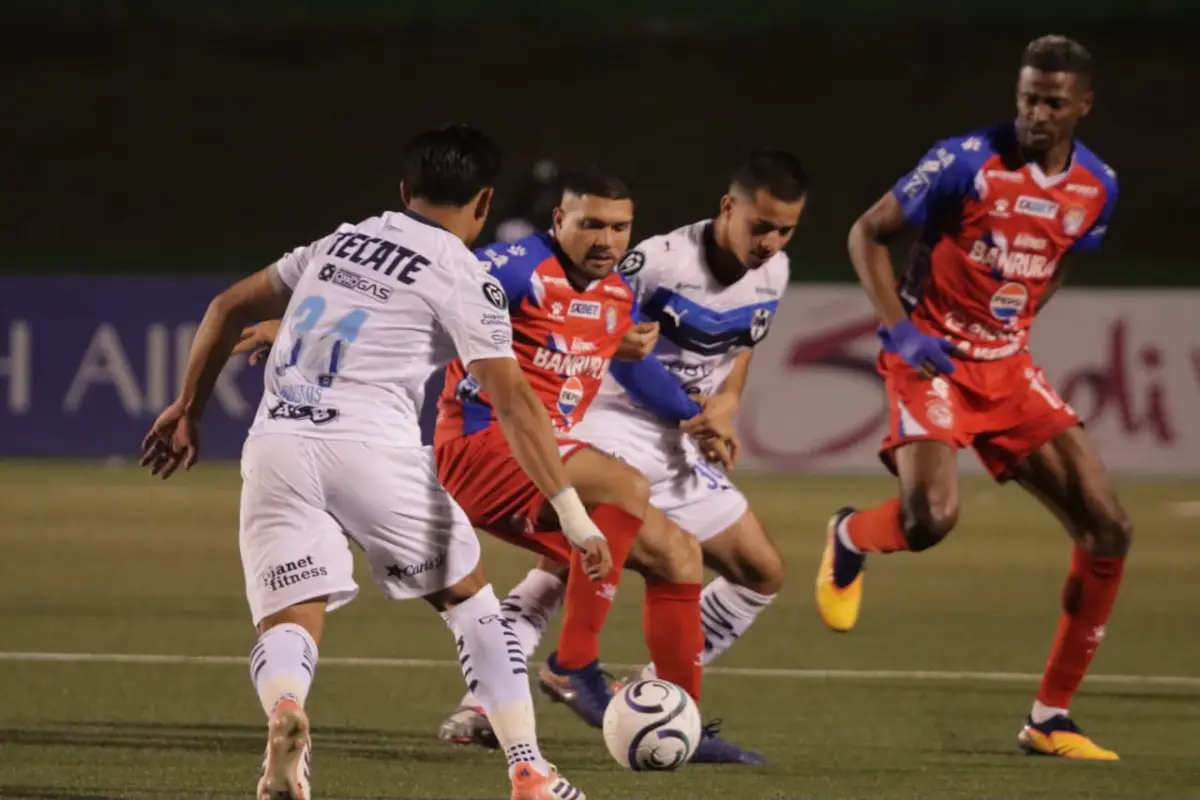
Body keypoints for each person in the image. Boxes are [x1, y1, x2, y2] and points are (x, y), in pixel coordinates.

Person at [140, 124, 602, 800]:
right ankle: (530, 770)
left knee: (290, 615)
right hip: (373, 451)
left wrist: (189, 407)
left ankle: (287, 711)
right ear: (483, 203)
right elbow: (515, 403)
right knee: (472, 604)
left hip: (277, 446)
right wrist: (571, 512)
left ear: (404, 191)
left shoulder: (341, 240)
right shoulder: (463, 276)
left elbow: (226, 305)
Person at [438, 150, 807, 765]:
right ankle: (571, 665)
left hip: (547, 453)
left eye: (617, 227)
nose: (606, 239)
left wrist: (701, 415)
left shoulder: (612, 297)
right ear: (558, 220)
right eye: (591, 225)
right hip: (486, 444)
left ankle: (682, 722)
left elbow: (644, 354)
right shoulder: (515, 266)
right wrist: (293, 324)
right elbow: (420, 290)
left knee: (679, 556)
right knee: (624, 489)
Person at [814, 36, 1127, 760]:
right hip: (929, 355)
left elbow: (1059, 262)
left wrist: (1015, 329)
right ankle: (853, 534)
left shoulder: (1096, 187)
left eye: (1053, 102)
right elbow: (867, 234)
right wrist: (898, 329)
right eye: (1027, 98)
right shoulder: (963, 160)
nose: (1036, 114)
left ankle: (1050, 718)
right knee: (932, 520)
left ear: (1082, 105)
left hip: (1007, 367)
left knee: (1109, 527)